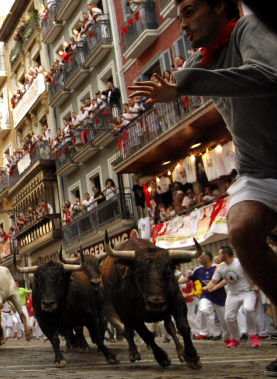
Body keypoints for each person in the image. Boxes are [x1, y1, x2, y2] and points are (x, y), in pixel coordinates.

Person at [129, 1, 277, 372]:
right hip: (257, 171)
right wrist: (172, 86)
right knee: (241, 228)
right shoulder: (199, 61)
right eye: (178, 17)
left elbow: (268, 75)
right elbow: (181, 80)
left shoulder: (249, 29)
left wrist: (188, 82)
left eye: (190, 12)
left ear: (219, 7)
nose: (182, 26)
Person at [203, 246, 260, 348]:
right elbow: (214, 281)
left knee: (248, 309)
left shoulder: (240, 263)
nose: (218, 256)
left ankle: (253, 335)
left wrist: (256, 285)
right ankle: (234, 339)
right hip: (233, 294)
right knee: (228, 317)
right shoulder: (220, 267)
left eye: (220, 254)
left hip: (247, 292)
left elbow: (253, 273)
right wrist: (208, 287)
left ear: (225, 255)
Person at [180, 251, 228, 341]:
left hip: (219, 296)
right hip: (206, 295)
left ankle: (228, 336)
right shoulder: (198, 270)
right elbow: (188, 278)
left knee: (224, 318)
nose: (199, 259)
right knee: (203, 310)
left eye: (201, 257)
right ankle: (205, 332)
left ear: (207, 259)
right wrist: (177, 282)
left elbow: (225, 279)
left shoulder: (217, 268)